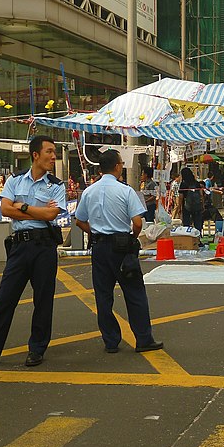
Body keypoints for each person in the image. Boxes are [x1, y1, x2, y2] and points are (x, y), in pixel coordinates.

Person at [0, 136, 66, 368]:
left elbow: (51, 215)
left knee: (43, 300)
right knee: (4, 299)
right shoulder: (15, 180)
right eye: (49, 151)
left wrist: (24, 206)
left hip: (44, 247)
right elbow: (6, 209)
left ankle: (37, 349)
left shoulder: (56, 185)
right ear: (35, 155)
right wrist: (34, 210)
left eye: (54, 152)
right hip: (19, 246)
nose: (53, 156)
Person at [74, 149, 163, 354]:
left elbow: (79, 220)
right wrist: (131, 237)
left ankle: (111, 340)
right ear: (116, 166)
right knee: (134, 293)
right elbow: (138, 222)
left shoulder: (89, 191)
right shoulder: (125, 191)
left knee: (103, 295)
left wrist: (95, 233)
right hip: (122, 247)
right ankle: (143, 339)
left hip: (99, 247)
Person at [178, 168, 204, 232]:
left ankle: (188, 238)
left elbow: (181, 197)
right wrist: (202, 205)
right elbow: (201, 195)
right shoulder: (196, 183)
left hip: (186, 206)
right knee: (197, 224)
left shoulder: (183, 184)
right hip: (197, 206)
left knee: (186, 224)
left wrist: (179, 207)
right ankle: (198, 237)